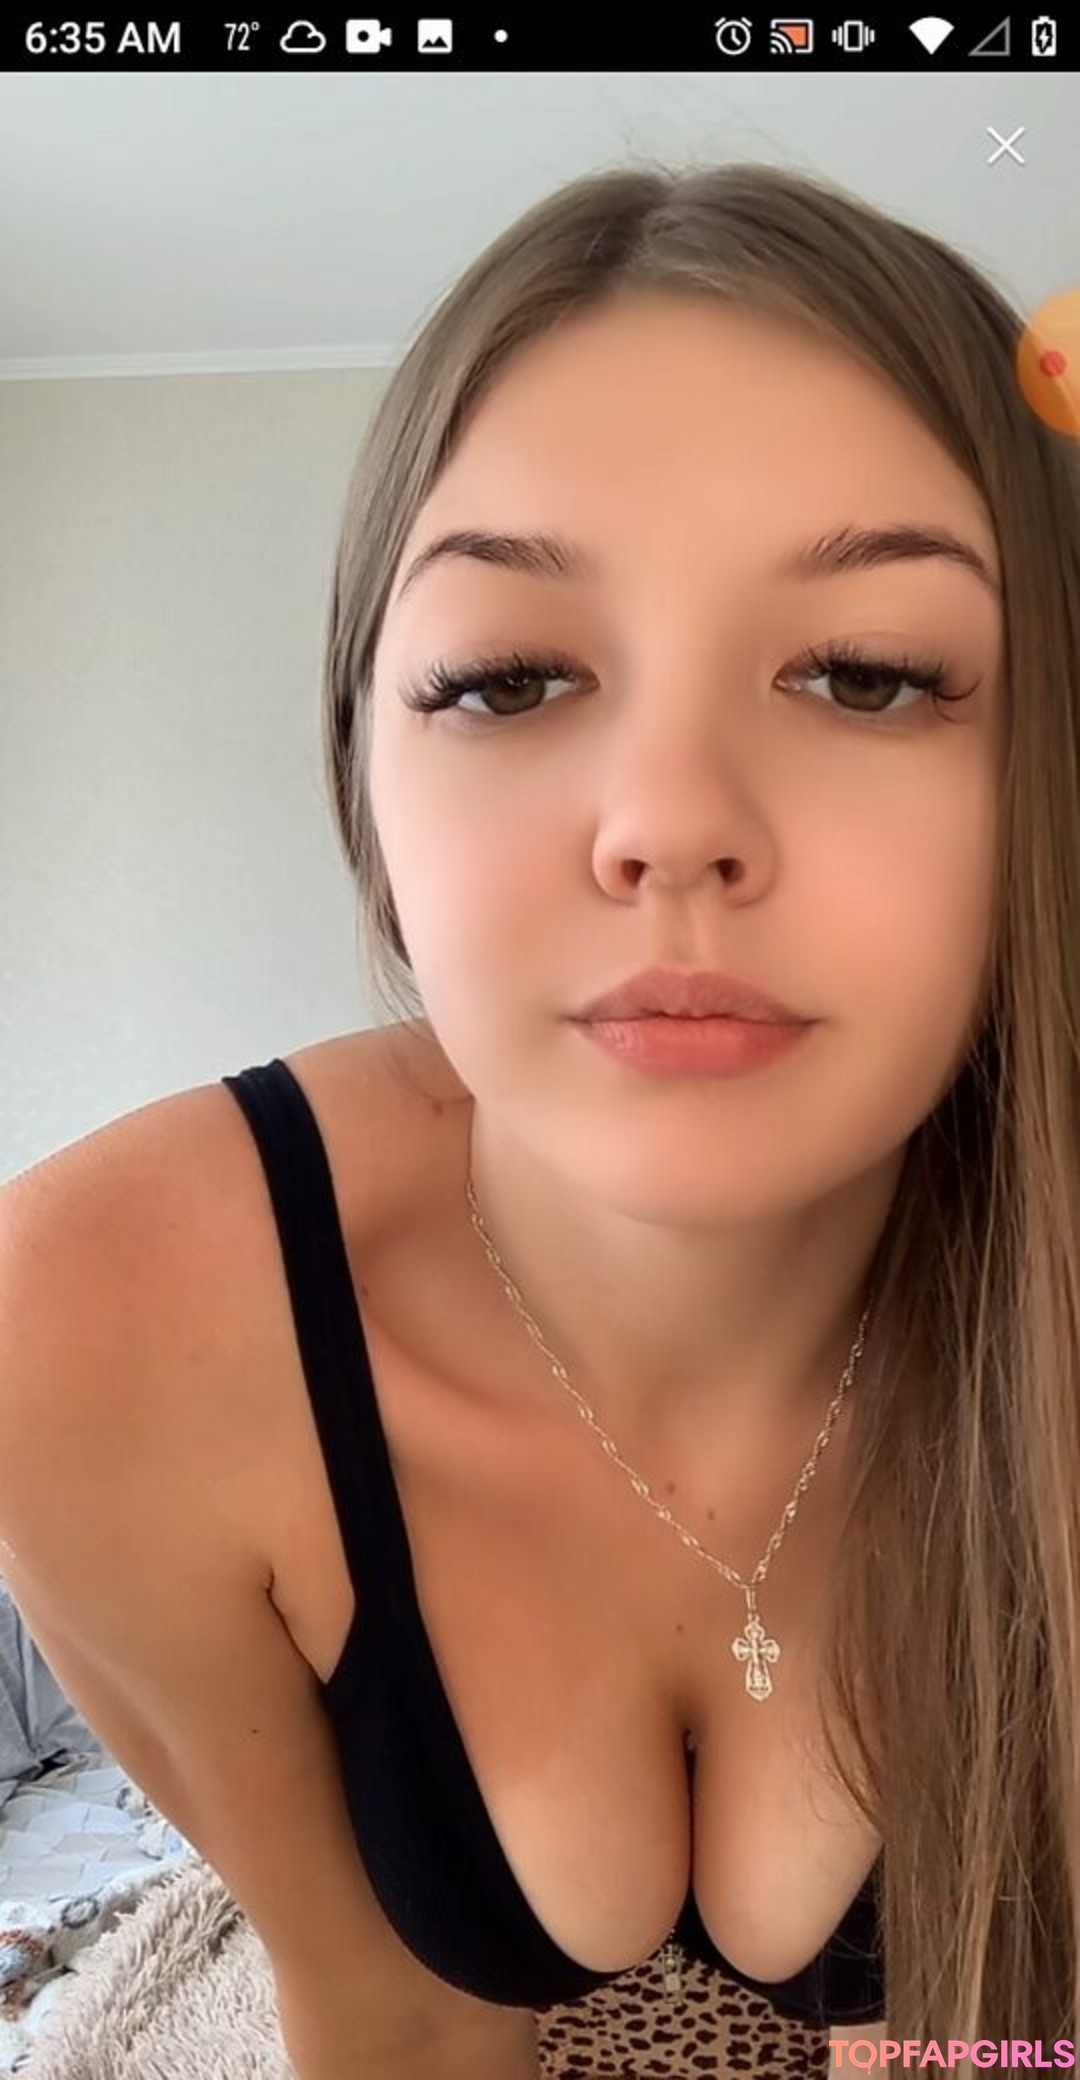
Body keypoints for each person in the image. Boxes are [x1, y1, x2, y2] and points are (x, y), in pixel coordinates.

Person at [2, 158, 1079, 2072]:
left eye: (868, 674)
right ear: (368, 789)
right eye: (509, 679)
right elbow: (395, 2020)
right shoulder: (85, 1331)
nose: (668, 821)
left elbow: (1004, 2041)